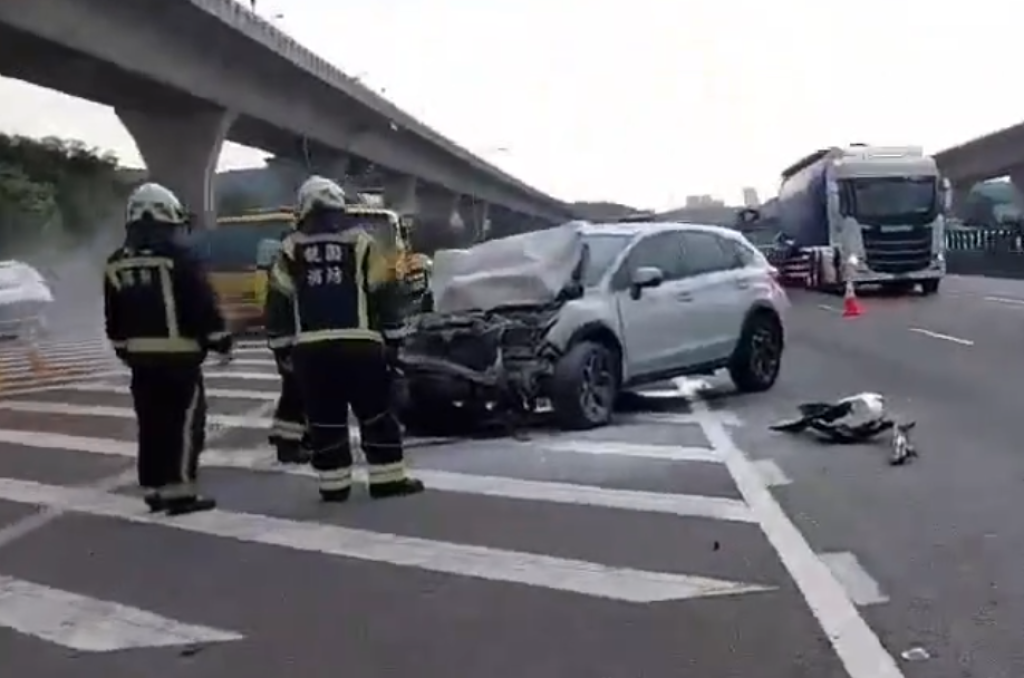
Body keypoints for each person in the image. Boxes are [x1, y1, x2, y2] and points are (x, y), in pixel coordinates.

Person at [265, 175, 424, 502]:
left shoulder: (289, 248)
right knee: (376, 413)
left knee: (325, 418)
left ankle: (333, 485)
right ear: (340, 205)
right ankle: (387, 479)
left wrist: (282, 350)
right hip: (361, 346)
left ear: (303, 208)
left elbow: (278, 303)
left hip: (311, 351)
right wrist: (394, 341)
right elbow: (385, 293)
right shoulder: (362, 243)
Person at [103, 182, 232, 515]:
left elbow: (113, 317)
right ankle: (179, 491)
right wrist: (219, 339)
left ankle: (156, 487)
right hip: (180, 360)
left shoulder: (116, 262)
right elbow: (200, 304)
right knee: (186, 424)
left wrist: (124, 350)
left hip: (140, 363)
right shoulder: (180, 260)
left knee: (152, 425)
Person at [265, 229, 312, 464]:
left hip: (298, 338)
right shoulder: (288, 260)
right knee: (297, 392)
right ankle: (288, 444)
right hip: (294, 339)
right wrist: (282, 345)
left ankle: (295, 438)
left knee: (299, 391)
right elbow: (278, 304)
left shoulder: (293, 258)